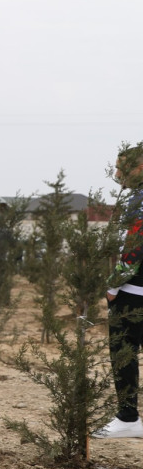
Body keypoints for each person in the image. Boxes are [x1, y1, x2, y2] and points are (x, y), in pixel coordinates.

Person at [96, 143, 143, 439]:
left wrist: (114, 284)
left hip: (133, 292)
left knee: (123, 352)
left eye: (121, 167)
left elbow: (134, 248)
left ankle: (128, 417)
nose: (115, 174)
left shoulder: (139, 200)